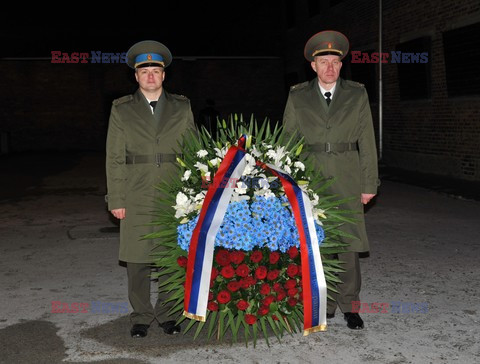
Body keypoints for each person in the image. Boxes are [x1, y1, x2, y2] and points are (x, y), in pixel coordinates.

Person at [283, 30, 380, 330]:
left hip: (348, 174)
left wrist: (368, 185)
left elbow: (367, 140)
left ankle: (350, 305)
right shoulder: (298, 95)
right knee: (318, 242)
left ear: (341, 65)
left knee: (348, 243)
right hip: (311, 178)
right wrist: (288, 183)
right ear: (313, 66)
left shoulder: (356, 93)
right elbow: (287, 141)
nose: (329, 68)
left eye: (335, 62)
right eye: (323, 61)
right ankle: (323, 302)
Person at [105, 40, 196, 338]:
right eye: (145, 71)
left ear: (164, 75)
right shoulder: (122, 109)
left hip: (174, 191)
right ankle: (141, 316)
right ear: (136, 76)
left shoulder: (182, 106)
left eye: (156, 70)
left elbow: (193, 152)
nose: (151, 76)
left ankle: (168, 314)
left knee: (172, 256)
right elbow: (115, 157)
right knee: (137, 258)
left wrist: (195, 194)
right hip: (136, 190)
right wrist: (116, 198)